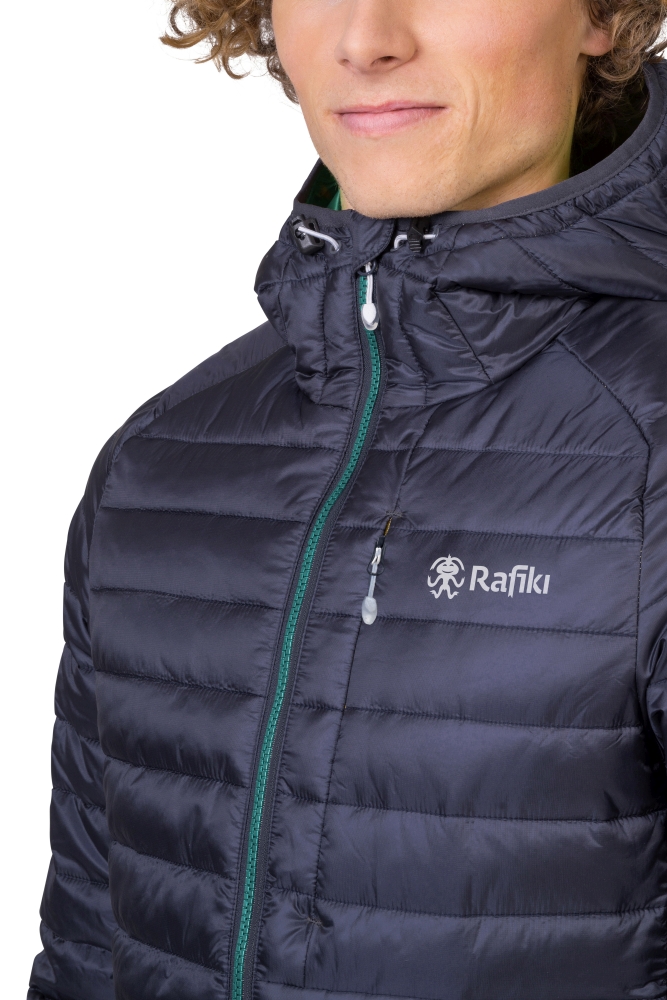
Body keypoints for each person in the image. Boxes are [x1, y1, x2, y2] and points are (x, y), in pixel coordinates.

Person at [28, 0, 667, 996]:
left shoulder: (646, 455)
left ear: (601, 13)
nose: (367, 38)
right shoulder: (157, 462)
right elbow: (84, 950)